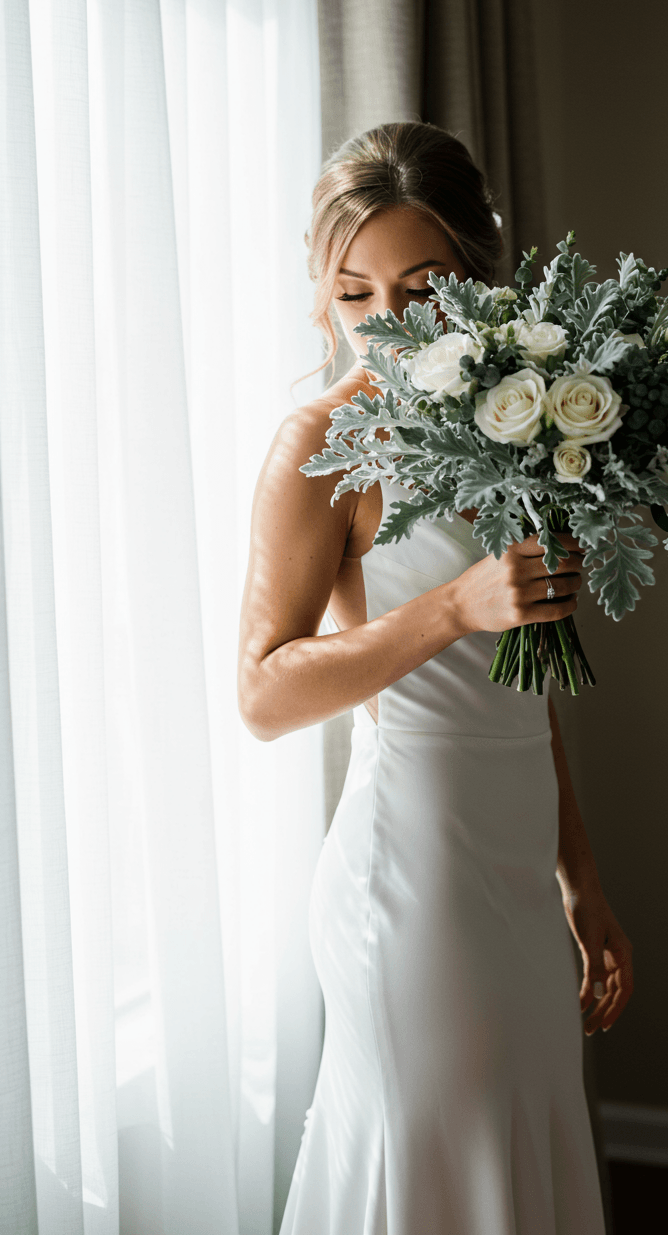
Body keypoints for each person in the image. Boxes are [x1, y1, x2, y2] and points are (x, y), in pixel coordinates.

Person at [237, 121, 633, 1235]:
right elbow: (262, 693)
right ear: (323, 296)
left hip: (515, 861)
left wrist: (580, 878)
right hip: (410, 884)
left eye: (422, 286)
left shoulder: (521, 423)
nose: (387, 325)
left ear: (478, 279)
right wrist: (450, 605)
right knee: (428, 1169)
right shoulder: (318, 445)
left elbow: (528, 677)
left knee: (522, 1151)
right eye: (354, 294)